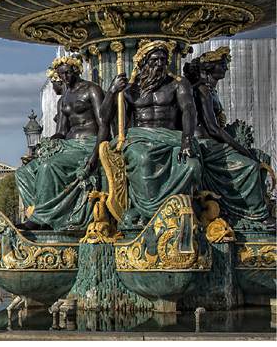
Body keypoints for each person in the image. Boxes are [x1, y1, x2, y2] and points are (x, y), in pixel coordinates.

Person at [104, 39, 201, 228]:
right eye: (154, 60)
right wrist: (112, 91)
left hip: (171, 137)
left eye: (163, 60)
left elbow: (189, 110)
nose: (159, 65)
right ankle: (148, 211)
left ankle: (179, 211)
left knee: (191, 165)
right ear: (143, 63)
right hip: (140, 137)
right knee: (143, 158)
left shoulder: (178, 84)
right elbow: (105, 117)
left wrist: (187, 141)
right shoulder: (129, 88)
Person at [184, 46, 272, 229]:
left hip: (212, 142)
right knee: (249, 166)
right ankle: (257, 214)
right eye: (222, 64)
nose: (225, 67)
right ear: (210, 68)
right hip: (206, 144)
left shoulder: (209, 90)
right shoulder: (202, 90)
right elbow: (213, 128)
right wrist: (241, 149)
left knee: (258, 157)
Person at [16, 55, 107, 230]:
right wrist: (43, 145)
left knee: (47, 167)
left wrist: (97, 153)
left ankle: (40, 219)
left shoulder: (91, 90)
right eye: (61, 74)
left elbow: (104, 123)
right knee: (24, 172)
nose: (64, 78)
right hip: (68, 146)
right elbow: (61, 132)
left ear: (76, 70)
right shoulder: (63, 100)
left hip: (88, 144)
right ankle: (41, 212)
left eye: (66, 73)